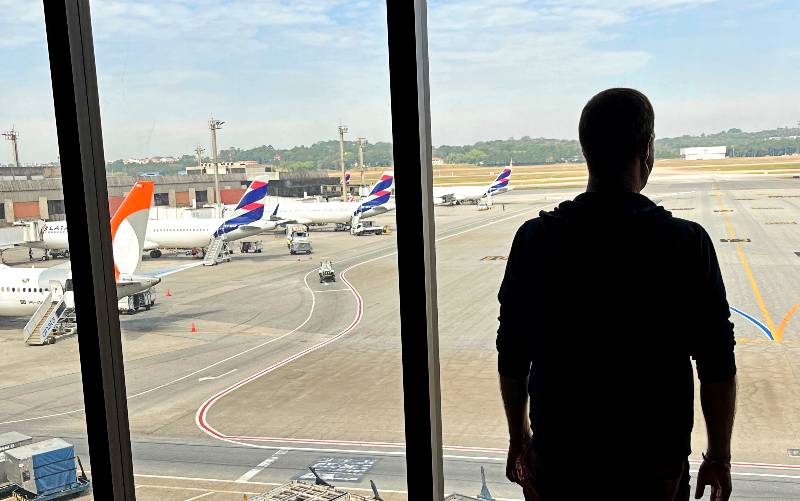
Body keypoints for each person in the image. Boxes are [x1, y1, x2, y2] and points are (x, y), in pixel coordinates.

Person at [497, 88, 737, 501]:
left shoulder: (535, 241)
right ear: (646, 149)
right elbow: (717, 365)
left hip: (560, 462)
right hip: (652, 467)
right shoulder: (686, 244)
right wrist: (719, 456)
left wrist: (520, 438)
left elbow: (513, 356)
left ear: (586, 150)